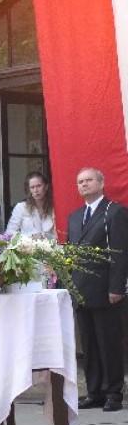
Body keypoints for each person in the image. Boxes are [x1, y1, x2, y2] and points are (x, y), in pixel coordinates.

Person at [68, 167, 128, 412]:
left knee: (109, 343)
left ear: (101, 183)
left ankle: (113, 392)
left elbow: (120, 253)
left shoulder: (114, 212)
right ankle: (94, 392)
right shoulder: (75, 216)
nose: (84, 184)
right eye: (80, 181)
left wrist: (117, 287)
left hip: (105, 290)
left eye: (89, 180)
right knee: (89, 345)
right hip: (81, 289)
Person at [6, 171, 55, 239]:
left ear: (46, 187)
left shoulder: (54, 208)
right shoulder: (21, 207)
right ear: (29, 190)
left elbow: (58, 234)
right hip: (26, 245)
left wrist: (45, 237)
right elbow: (9, 233)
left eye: (39, 186)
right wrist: (30, 238)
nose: (36, 190)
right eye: (32, 187)